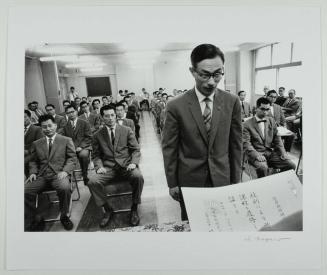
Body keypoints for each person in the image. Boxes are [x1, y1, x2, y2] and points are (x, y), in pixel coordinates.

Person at [162, 44, 242, 220]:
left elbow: (236, 145)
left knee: (224, 222)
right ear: (193, 71)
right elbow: (169, 148)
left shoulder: (232, 102)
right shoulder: (176, 106)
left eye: (217, 74)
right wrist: (172, 182)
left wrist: (237, 180)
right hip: (190, 180)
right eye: (205, 74)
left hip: (222, 178)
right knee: (192, 224)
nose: (211, 81)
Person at [87, 105, 144, 228]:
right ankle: (108, 209)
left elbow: (136, 150)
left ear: (116, 115)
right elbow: (96, 155)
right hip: (109, 168)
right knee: (92, 181)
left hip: (126, 165)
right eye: (107, 116)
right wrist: (99, 166)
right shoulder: (97, 135)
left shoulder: (126, 130)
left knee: (138, 176)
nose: (110, 118)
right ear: (102, 117)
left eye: (112, 115)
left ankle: (134, 208)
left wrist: (134, 163)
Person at [24, 115, 77, 231]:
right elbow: (33, 161)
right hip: (41, 176)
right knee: (24, 190)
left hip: (59, 174)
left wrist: (65, 171)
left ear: (55, 126)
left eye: (49, 126)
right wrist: (33, 172)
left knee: (64, 188)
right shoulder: (37, 143)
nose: (47, 129)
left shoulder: (66, 140)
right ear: (41, 128)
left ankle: (64, 216)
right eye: (44, 127)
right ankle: (37, 217)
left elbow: (72, 158)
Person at [243, 97, 296, 178]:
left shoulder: (271, 120)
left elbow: (277, 139)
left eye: (267, 109)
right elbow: (246, 144)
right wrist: (257, 155)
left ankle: (279, 183)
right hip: (256, 154)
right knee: (263, 168)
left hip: (270, 153)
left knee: (291, 165)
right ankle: (264, 188)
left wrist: (283, 152)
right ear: (256, 109)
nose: (265, 112)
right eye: (262, 109)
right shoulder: (246, 124)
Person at [62, 105, 92, 184]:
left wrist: (80, 147)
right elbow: (64, 139)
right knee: (62, 156)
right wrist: (72, 148)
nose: (71, 114)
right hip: (72, 148)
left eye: (72, 112)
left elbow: (89, 137)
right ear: (66, 114)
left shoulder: (84, 123)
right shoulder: (65, 126)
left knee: (83, 155)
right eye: (68, 113)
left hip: (84, 146)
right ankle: (67, 178)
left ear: (76, 112)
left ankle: (85, 175)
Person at [24, 110, 44, 176]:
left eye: (24, 117)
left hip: (32, 155)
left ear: (29, 117)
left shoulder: (37, 129)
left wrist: (27, 151)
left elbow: (40, 146)